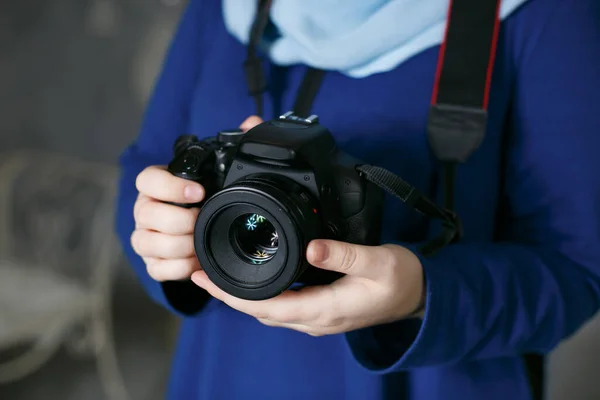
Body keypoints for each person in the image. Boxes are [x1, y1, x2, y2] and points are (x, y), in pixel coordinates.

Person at [115, 0, 600, 399]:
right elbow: (145, 170)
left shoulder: (544, 11)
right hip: (224, 376)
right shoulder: (220, 8)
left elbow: (579, 269)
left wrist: (424, 295)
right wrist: (164, 234)